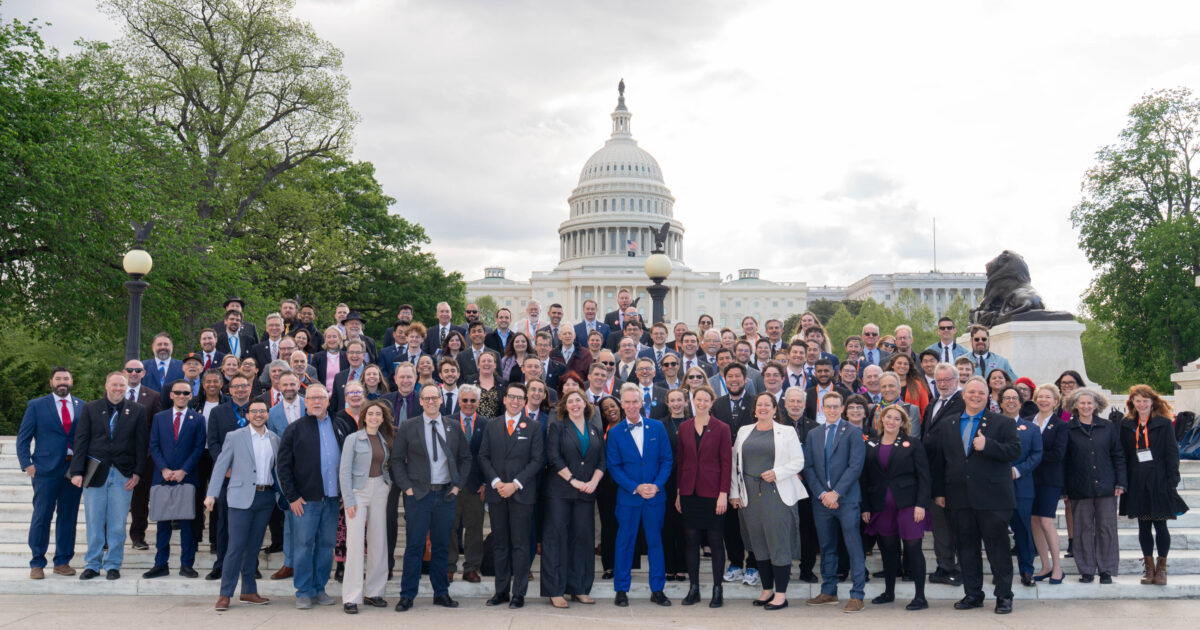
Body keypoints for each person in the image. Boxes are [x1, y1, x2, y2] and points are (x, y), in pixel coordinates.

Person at [930, 376, 1020, 614]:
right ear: (963, 395)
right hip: (959, 497)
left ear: (987, 396)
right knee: (967, 549)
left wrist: (988, 445)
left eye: (981, 393)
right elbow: (941, 462)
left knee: (997, 549)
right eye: (971, 392)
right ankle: (973, 594)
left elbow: (1014, 450)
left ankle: (1003, 596)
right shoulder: (948, 424)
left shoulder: (1002, 423)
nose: (976, 396)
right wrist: (939, 492)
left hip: (993, 499)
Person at [390, 385, 470, 611]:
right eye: (427, 398)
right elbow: (396, 460)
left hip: (445, 495)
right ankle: (407, 595)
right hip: (418, 496)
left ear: (441, 400)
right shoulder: (408, 426)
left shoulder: (453, 427)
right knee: (414, 547)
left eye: (435, 397)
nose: (432, 401)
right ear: (421, 402)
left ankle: (441, 593)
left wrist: (457, 486)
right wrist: (407, 488)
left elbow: (465, 458)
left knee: (442, 546)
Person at [730, 393, 806, 612]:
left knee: (778, 542)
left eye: (767, 405)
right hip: (750, 496)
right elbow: (736, 465)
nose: (763, 408)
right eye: (759, 405)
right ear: (755, 409)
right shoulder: (744, 431)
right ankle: (766, 590)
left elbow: (798, 461)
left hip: (777, 493)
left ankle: (781, 594)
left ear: (775, 409)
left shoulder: (787, 432)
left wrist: (777, 472)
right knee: (758, 543)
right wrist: (735, 493)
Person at [276, 384, 350, 609]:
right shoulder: (294, 429)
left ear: (328, 401)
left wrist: (345, 492)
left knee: (326, 545)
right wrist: (292, 496)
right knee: (304, 545)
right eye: (312, 398)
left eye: (321, 398)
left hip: (332, 498)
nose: (317, 402)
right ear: (305, 402)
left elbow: (348, 462)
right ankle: (304, 591)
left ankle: (320, 588)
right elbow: (283, 466)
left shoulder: (341, 425)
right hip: (305, 501)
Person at [70, 371, 147, 580]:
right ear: (106, 386)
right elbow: (81, 441)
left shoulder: (138, 411)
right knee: (94, 521)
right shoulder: (90, 409)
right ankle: (92, 564)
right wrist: (77, 471)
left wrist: (138, 472)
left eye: (122, 386)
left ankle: (113, 564)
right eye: (114, 385)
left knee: (117, 522)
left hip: (123, 474)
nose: (118, 389)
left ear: (126, 388)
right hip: (95, 473)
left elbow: (141, 445)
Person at [205, 397, 278, 610]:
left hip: (265, 498)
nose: (258, 414)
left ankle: (248, 591)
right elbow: (221, 466)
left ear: (267, 414)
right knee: (235, 547)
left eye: (262, 411)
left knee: (254, 547)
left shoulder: (274, 439)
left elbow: (278, 471)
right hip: (239, 498)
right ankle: (225, 594)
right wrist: (211, 494)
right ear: (247, 415)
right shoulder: (235, 437)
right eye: (254, 411)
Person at [607, 383, 674, 607]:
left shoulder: (656, 427)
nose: (632, 406)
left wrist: (656, 485)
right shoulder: (615, 432)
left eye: (636, 401)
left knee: (656, 542)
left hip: (655, 497)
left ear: (641, 402)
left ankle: (658, 589)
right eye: (627, 402)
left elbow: (667, 460)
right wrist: (635, 487)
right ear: (622, 404)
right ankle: (621, 589)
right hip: (629, 498)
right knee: (625, 543)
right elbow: (614, 466)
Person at [479, 382, 545, 609]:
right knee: (500, 545)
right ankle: (501, 591)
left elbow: (537, 460)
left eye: (520, 398)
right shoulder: (492, 425)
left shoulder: (533, 427)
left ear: (524, 401)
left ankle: (519, 593)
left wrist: (515, 485)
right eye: (512, 397)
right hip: (497, 494)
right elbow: (484, 457)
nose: (516, 401)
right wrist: (497, 483)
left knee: (520, 545)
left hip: (521, 495)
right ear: (504, 399)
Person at [802, 391, 867, 613]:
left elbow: (855, 466)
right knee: (827, 546)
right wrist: (822, 494)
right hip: (821, 502)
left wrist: (836, 493)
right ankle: (829, 590)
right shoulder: (814, 434)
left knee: (853, 546)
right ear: (822, 408)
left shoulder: (853, 432)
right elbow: (808, 467)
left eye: (835, 406)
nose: (831, 410)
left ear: (842, 409)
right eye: (827, 406)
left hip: (846, 500)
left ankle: (857, 594)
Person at [18, 367, 84, 579]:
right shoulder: (37, 405)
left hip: (72, 471)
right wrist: (27, 464)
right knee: (42, 515)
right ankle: (37, 562)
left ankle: (62, 561)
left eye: (66, 378)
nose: (62, 382)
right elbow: (23, 438)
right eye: (58, 379)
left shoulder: (82, 406)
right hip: (45, 470)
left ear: (72, 381)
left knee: (68, 516)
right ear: (51, 382)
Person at [862, 404, 930, 610]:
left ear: (903, 423)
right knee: (888, 550)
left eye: (896, 419)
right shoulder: (871, 443)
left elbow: (924, 477)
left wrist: (921, 504)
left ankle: (920, 597)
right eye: (888, 417)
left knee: (913, 549)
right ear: (881, 420)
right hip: (881, 506)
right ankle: (889, 592)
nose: (891, 421)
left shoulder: (913, 444)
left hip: (908, 505)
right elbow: (865, 478)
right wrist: (866, 506)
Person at [542, 390, 606, 608]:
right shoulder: (557, 428)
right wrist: (573, 481)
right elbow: (553, 457)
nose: (575, 404)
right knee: (557, 539)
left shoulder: (595, 430)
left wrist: (594, 482)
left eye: (578, 400)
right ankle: (555, 590)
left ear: (586, 404)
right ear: (565, 406)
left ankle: (579, 588)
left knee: (583, 539)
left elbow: (601, 462)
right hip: (560, 492)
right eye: (570, 401)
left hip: (586, 493)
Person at [1119, 384, 1188, 586]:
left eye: (1145, 401)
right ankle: (1149, 568)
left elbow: (1172, 452)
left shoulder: (1163, 423)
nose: (1141, 404)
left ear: (1152, 402)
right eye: (1138, 401)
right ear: (1132, 402)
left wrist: (1172, 479)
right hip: (1136, 480)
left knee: (1160, 524)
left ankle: (1162, 568)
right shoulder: (1126, 424)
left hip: (1159, 479)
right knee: (1143, 525)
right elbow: (1122, 454)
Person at [673, 386, 730, 607]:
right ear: (692, 401)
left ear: (712, 402)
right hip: (689, 492)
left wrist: (723, 494)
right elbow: (682, 462)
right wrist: (679, 492)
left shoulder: (722, 428)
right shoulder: (685, 427)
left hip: (713, 492)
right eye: (698, 399)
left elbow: (726, 463)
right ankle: (694, 588)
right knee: (691, 540)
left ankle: (718, 590)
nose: (702, 403)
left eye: (706, 400)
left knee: (715, 541)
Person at [143, 380, 206, 579]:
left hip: (186, 478)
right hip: (162, 477)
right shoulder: (159, 418)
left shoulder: (197, 419)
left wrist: (183, 471)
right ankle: (161, 563)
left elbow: (198, 448)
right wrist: (164, 468)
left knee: (187, 524)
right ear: (171, 395)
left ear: (190, 396)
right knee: (162, 524)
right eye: (177, 392)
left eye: (185, 393)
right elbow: (154, 445)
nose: (181, 395)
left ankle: (186, 564)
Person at [1063, 387, 1125, 584]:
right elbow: (1064, 461)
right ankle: (1087, 570)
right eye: (1082, 403)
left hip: (1106, 486)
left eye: (1090, 403)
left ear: (1097, 405)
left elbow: (1118, 455)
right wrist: (1064, 488)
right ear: (1075, 406)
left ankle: (1106, 569)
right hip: (1079, 487)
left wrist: (1120, 482)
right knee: (1083, 528)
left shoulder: (1107, 427)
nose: (1086, 406)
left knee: (1106, 528)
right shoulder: (1068, 429)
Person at [338, 400, 393, 613]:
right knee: (354, 544)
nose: (374, 417)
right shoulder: (353, 439)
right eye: (370, 414)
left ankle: (375, 592)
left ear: (382, 418)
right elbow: (344, 470)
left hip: (379, 489)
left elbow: (384, 465)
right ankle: (351, 597)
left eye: (378, 414)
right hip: (358, 493)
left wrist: (387, 484)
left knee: (379, 542)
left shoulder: (384, 439)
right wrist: (349, 499)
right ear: (364, 416)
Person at [205, 374, 254, 581]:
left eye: (244, 386)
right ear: (229, 390)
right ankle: (221, 564)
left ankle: (251, 564)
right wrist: (224, 467)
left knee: (250, 523)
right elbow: (213, 442)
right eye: (236, 387)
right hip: (227, 476)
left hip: (252, 476)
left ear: (250, 388)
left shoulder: (258, 409)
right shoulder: (218, 412)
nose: (241, 390)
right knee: (225, 523)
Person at [922, 362, 964, 586]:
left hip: (952, 477)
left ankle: (958, 568)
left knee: (956, 526)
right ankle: (944, 565)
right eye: (939, 381)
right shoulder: (933, 403)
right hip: (933, 473)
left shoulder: (963, 403)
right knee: (940, 526)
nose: (943, 384)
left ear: (956, 381)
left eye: (947, 380)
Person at [777, 387, 820, 583]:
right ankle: (780, 569)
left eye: (799, 402)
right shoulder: (774, 427)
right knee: (782, 529)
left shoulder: (815, 428)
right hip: (781, 485)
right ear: (785, 404)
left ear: (804, 404)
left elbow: (818, 460)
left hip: (807, 487)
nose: (795, 405)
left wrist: (803, 475)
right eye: (791, 402)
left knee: (807, 530)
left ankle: (806, 569)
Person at [1003, 386, 1043, 587]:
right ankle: (1001, 572)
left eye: (1014, 398)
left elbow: (1037, 455)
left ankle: (1027, 571)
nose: (1011, 401)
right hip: (997, 488)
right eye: (1007, 398)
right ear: (1001, 403)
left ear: (1020, 403)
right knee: (998, 533)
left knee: (1024, 531)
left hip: (1022, 487)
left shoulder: (1032, 429)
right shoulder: (991, 426)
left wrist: (1017, 471)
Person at [448, 385, 487, 583]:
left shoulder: (486, 424)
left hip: (475, 486)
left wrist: (486, 483)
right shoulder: (448, 422)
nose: (469, 404)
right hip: (451, 485)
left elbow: (489, 456)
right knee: (450, 528)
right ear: (459, 401)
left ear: (478, 402)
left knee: (474, 529)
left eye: (473, 401)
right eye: (465, 400)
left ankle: (471, 568)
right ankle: (449, 566)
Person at [1028, 383, 1067, 584]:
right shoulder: (1027, 422)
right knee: (1034, 521)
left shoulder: (1060, 425)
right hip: (1029, 479)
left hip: (1050, 480)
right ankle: (1045, 565)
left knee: (1046, 521)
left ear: (1055, 401)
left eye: (1048, 397)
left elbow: (1058, 454)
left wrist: (1034, 455)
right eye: (1040, 397)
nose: (1043, 400)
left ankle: (1058, 567)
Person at [123, 358, 164, 551]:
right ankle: (107, 537)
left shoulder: (153, 396)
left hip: (144, 456)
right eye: (130, 370)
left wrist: (149, 453)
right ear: (124, 372)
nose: (133, 373)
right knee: (113, 498)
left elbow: (157, 427)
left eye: (137, 370)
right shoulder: (114, 392)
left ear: (143, 373)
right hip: (117, 456)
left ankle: (138, 536)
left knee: (140, 500)